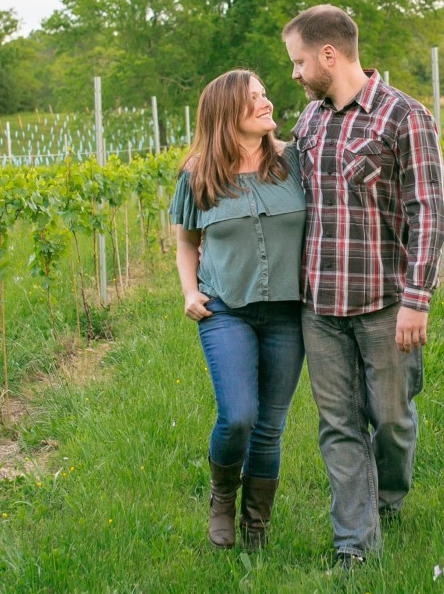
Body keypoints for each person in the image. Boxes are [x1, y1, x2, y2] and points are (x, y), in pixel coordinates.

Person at [282, 5, 444, 568]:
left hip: (384, 304)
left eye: (299, 61)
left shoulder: (404, 117)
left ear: (329, 54)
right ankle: (355, 543)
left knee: (394, 420)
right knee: (338, 425)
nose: (296, 74)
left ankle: (389, 500)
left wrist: (416, 301)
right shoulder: (310, 122)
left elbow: (428, 213)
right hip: (319, 307)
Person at [168, 69, 306, 551]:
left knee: (270, 425)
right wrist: (189, 291)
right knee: (239, 415)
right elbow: (187, 240)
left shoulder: (295, 162)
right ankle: (222, 497)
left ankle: (256, 524)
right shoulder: (198, 173)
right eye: (254, 99)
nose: (267, 103)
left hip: (289, 312)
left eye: (265, 94)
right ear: (228, 113)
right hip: (226, 308)